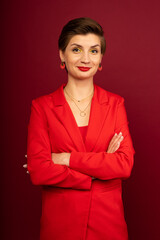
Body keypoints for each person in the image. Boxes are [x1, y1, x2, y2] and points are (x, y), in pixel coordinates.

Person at [25, 17, 135, 240]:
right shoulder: (42, 107)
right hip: (60, 227)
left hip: (108, 226)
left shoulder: (115, 104)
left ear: (101, 57)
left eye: (94, 51)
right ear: (62, 54)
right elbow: (38, 170)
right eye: (76, 49)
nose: (86, 58)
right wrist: (98, 170)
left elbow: (124, 165)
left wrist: (65, 158)